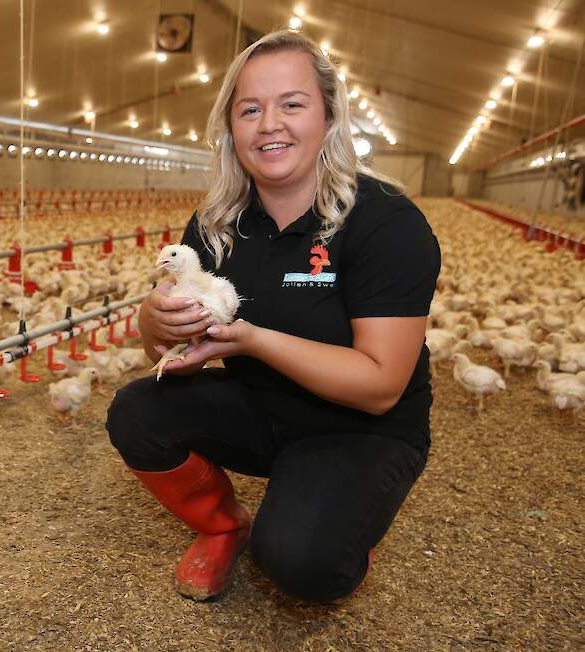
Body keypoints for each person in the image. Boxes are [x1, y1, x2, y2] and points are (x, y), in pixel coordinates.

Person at [105, 29, 441, 604]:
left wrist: (253, 340)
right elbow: (174, 361)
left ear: (330, 117)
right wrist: (153, 327)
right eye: (250, 110)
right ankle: (223, 525)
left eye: (292, 104)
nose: (269, 125)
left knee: (300, 563)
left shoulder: (386, 223)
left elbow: (383, 385)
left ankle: (334, 521)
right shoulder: (216, 225)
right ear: (231, 129)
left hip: (359, 427)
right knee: (136, 410)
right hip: (261, 404)